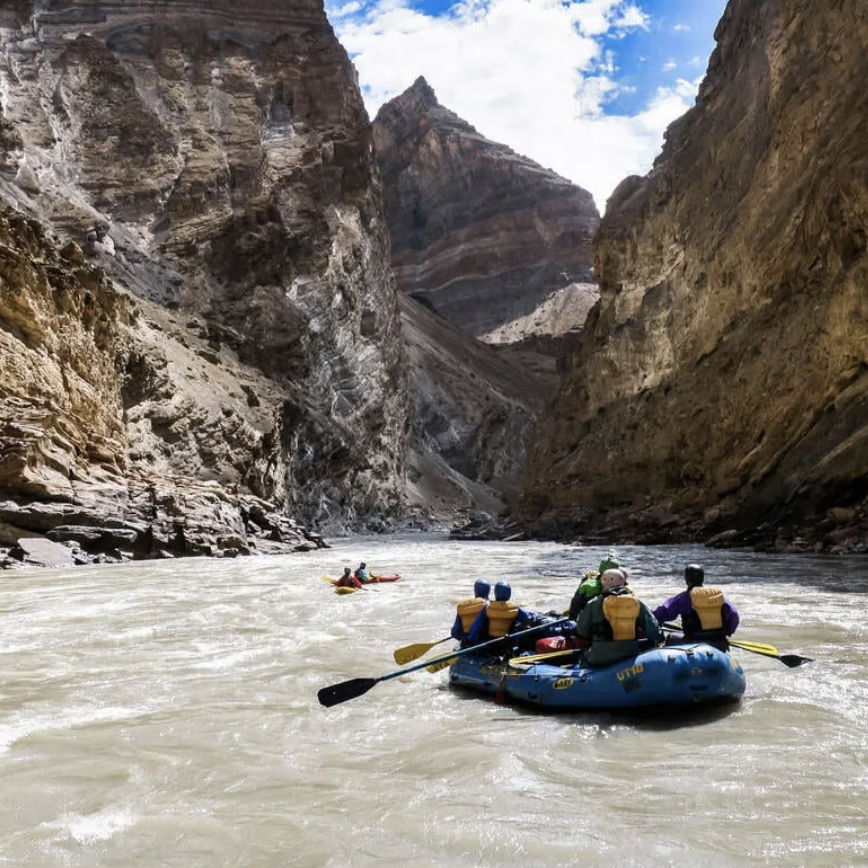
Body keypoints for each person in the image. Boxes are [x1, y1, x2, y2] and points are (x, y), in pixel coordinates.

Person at [575, 569, 662, 667]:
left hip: (599, 657)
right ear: (623, 582)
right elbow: (654, 631)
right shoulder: (637, 603)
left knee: (581, 659)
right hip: (630, 655)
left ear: (602, 581)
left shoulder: (593, 603)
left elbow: (581, 631)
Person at [653, 564, 740, 651]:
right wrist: (727, 632)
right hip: (718, 641)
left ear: (687, 580)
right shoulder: (719, 597)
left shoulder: (684, 598)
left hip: (692, 642)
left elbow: (663, 613)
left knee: (671, 637)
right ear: (702, 578)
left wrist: (650, 616)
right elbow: (734, 616)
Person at [465, 581, 536, 646]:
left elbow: (476, 626)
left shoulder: (487, 607)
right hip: (507, 642)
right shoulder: (515, 608)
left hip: (490, 642)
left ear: (495, 593)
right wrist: (534, 615)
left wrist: (471, 640)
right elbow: (528, 618)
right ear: (509, 593)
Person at [568, 553, 621, 619]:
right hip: (593, 613)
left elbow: (575, 601)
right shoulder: (617, 583)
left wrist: (572, 616)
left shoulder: (589, 580)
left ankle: (572, 617)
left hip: (582, 611)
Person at [451, 579, 491, 644]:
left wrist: (463, 638)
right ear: (488, 591)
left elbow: (455, 633)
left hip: (467, 643)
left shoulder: (462, 606)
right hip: (485, 643)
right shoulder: (490, 606)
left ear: (475, 591)